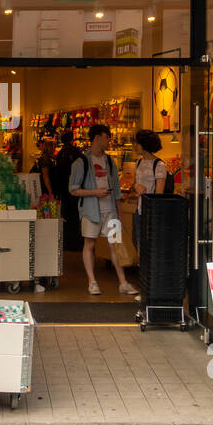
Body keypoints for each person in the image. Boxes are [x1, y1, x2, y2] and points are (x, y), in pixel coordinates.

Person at [69, 124, 138, 297]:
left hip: (110, 211)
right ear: (98, 137)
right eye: (107, 137)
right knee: (90, 244)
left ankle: (123, 282)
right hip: (90, 210)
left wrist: (119, 211)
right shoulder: (81, 162)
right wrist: (95, 193)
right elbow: (73, 189)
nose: (109, 141)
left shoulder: (109, 161)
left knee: (115, 245)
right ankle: (92, 282)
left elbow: (115, 187)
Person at [132, 128, 168, 251]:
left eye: (137, 142)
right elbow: (134, 184)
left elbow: (159, 194)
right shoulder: (138, 162)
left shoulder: (159, 165)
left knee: (151, 245)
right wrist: (136, 186)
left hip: (151, 212)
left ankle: (150, 269)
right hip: (139, 210)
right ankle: (142, 268)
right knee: (139, 243)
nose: (135, 145)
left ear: (145, 144)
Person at [53, 130, 82, 252]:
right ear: (72, 139)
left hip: (63, 189)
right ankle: (76, 242)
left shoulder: (60, 154)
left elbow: (58, 173)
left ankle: (67, 242)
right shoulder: (77, 153)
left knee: (65, 215)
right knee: (76, 215)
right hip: (75, 188)